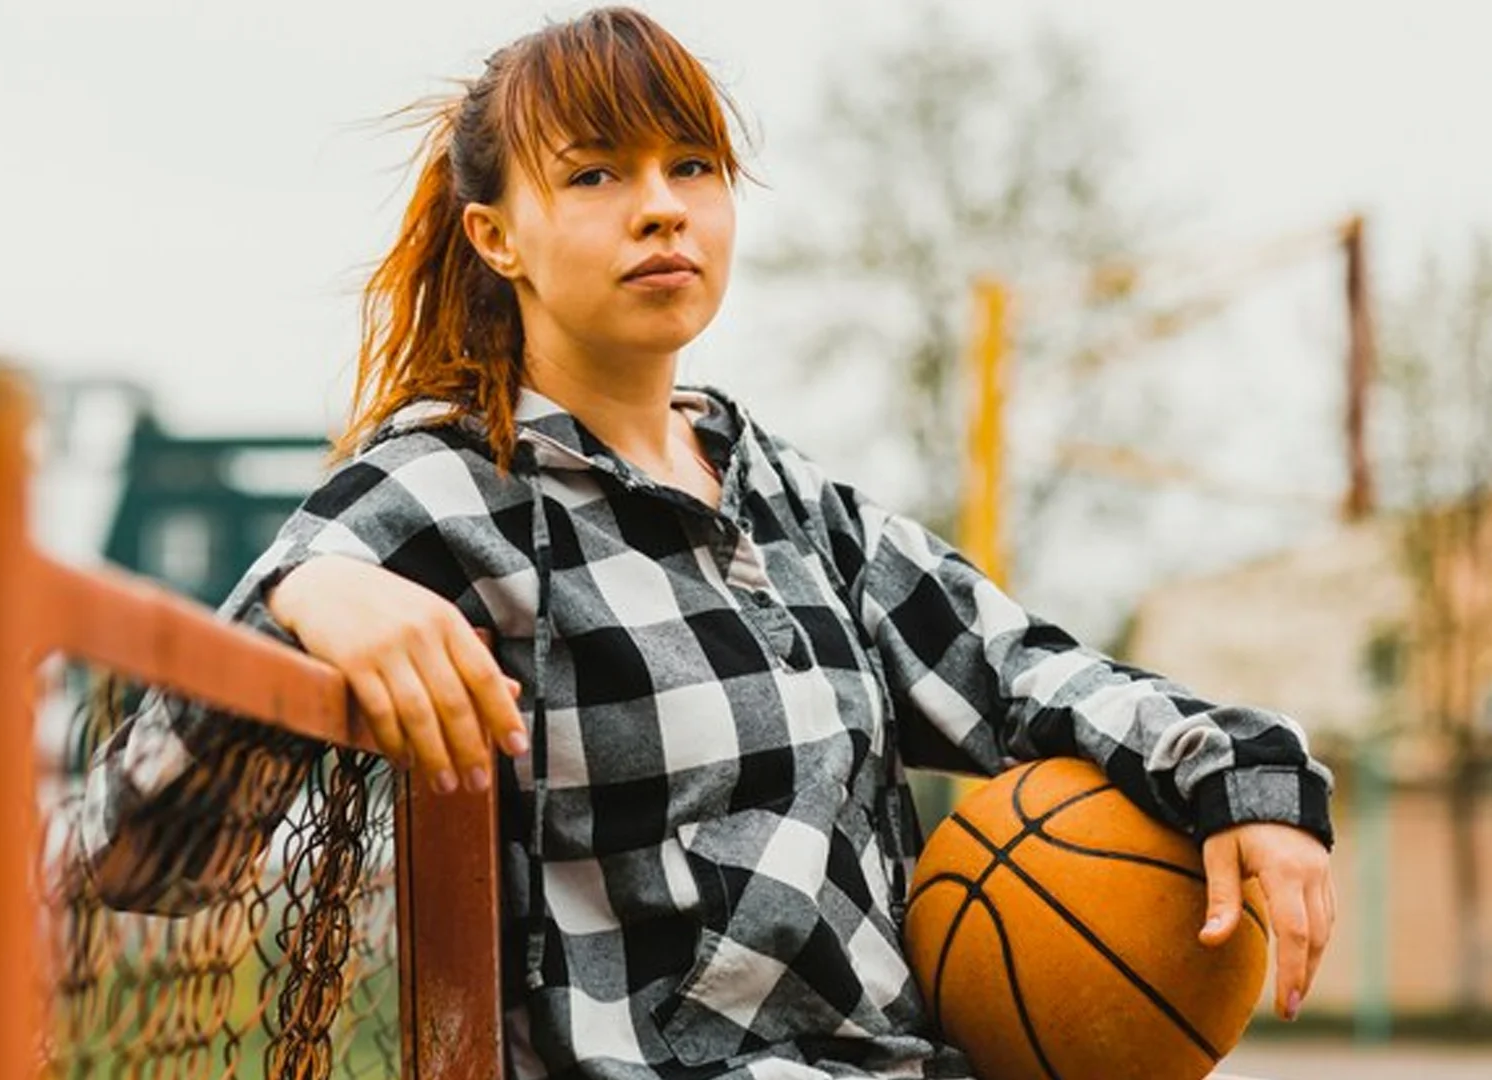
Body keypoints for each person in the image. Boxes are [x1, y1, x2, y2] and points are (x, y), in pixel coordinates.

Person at [77, 8, 1336, 1078]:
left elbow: (1021, 674)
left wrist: (1246, 777)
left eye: (693, 167)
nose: (661, 211)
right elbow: (138, 854)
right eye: (596, 175)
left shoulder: (789, 501)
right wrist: (305, 594)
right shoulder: (435, 491)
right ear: (494, 235)